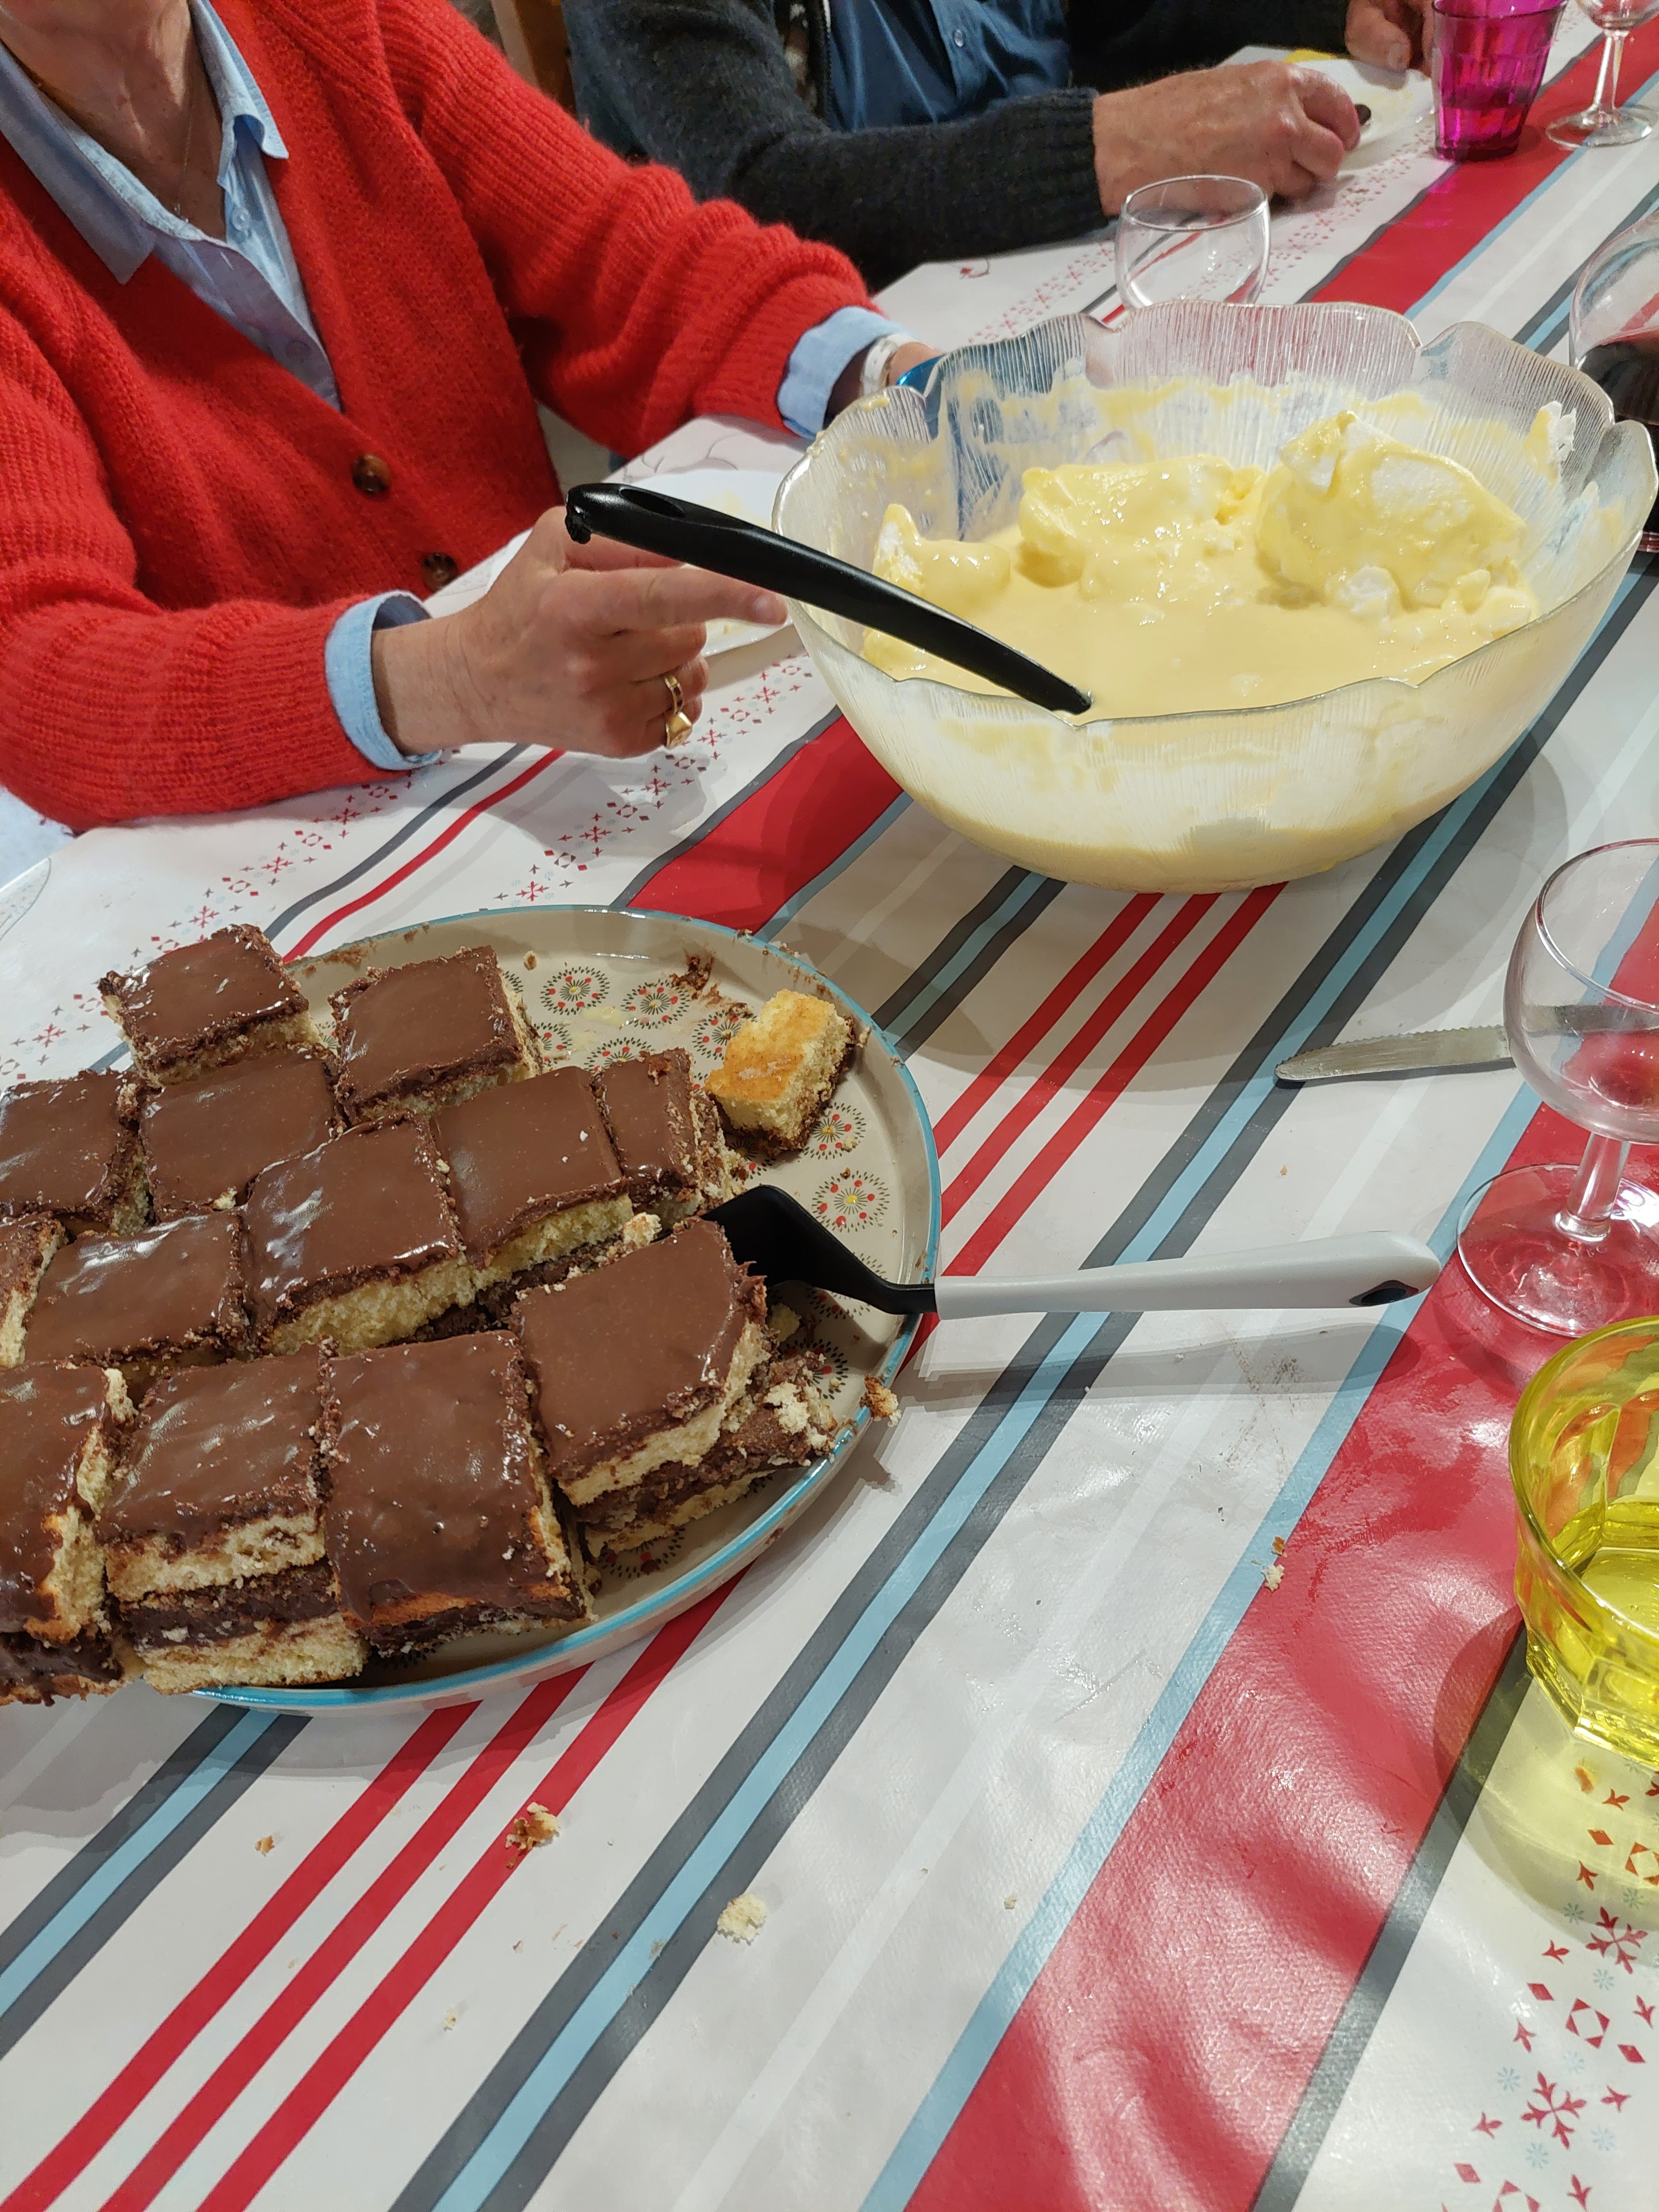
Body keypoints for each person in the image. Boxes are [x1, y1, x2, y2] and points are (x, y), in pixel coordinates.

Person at [0, 0, 934, 828]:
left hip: (560, 770)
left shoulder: (341, 24)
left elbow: (621, 258)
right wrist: (453, 674)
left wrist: (890, 377)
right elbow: (37, 670)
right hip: (269, 872)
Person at [565, 0, 1428, 288]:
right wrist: (1119, 145)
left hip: (1057, 299)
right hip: (803, 418)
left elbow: (1100, 18)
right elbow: (767, 191)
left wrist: (1329, 8)